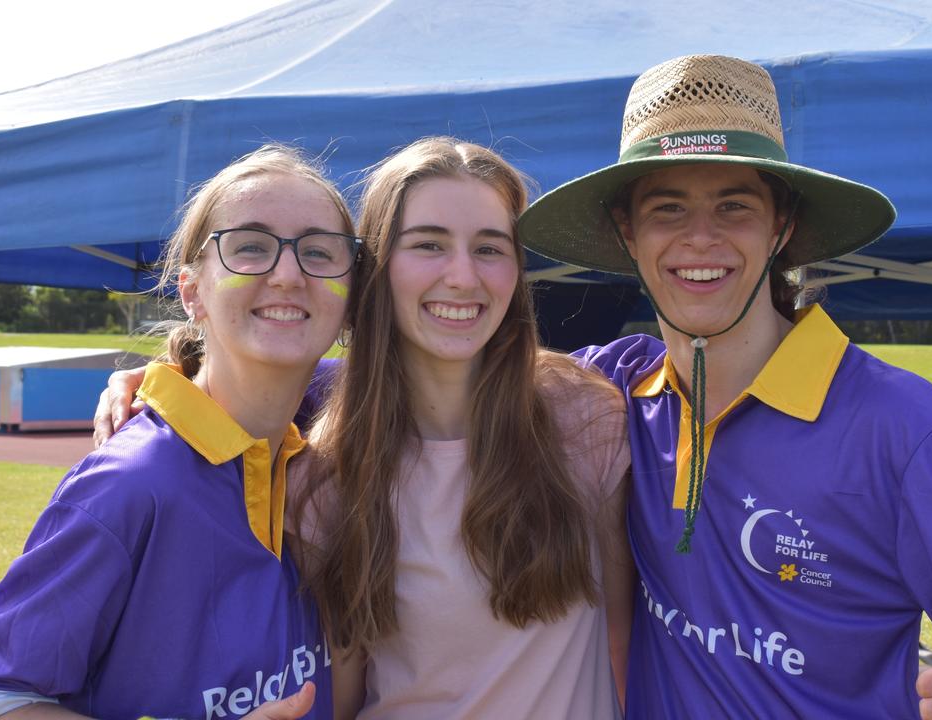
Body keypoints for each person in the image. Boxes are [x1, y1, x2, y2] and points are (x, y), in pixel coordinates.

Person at [515, 54, 932, 718]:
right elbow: (472, 383)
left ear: (783, 227)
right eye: (668, 209)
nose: (700, 238)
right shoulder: (614, 391)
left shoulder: (900, 427)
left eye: (734, 207)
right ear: (627, 233)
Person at [94, 138, 634, 719]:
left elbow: (626, 646)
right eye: (428, 244)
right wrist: (170, 378)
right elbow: (343, 697)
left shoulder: (584, 414)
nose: (462, 276)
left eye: (489, 247)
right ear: (374, 269)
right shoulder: (324, 475)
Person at [0, 144, 361, 720]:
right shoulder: (129, 484)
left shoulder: (320, 447)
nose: (288, 273)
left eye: (318, 251)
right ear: (192, 292)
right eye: (250, 248)